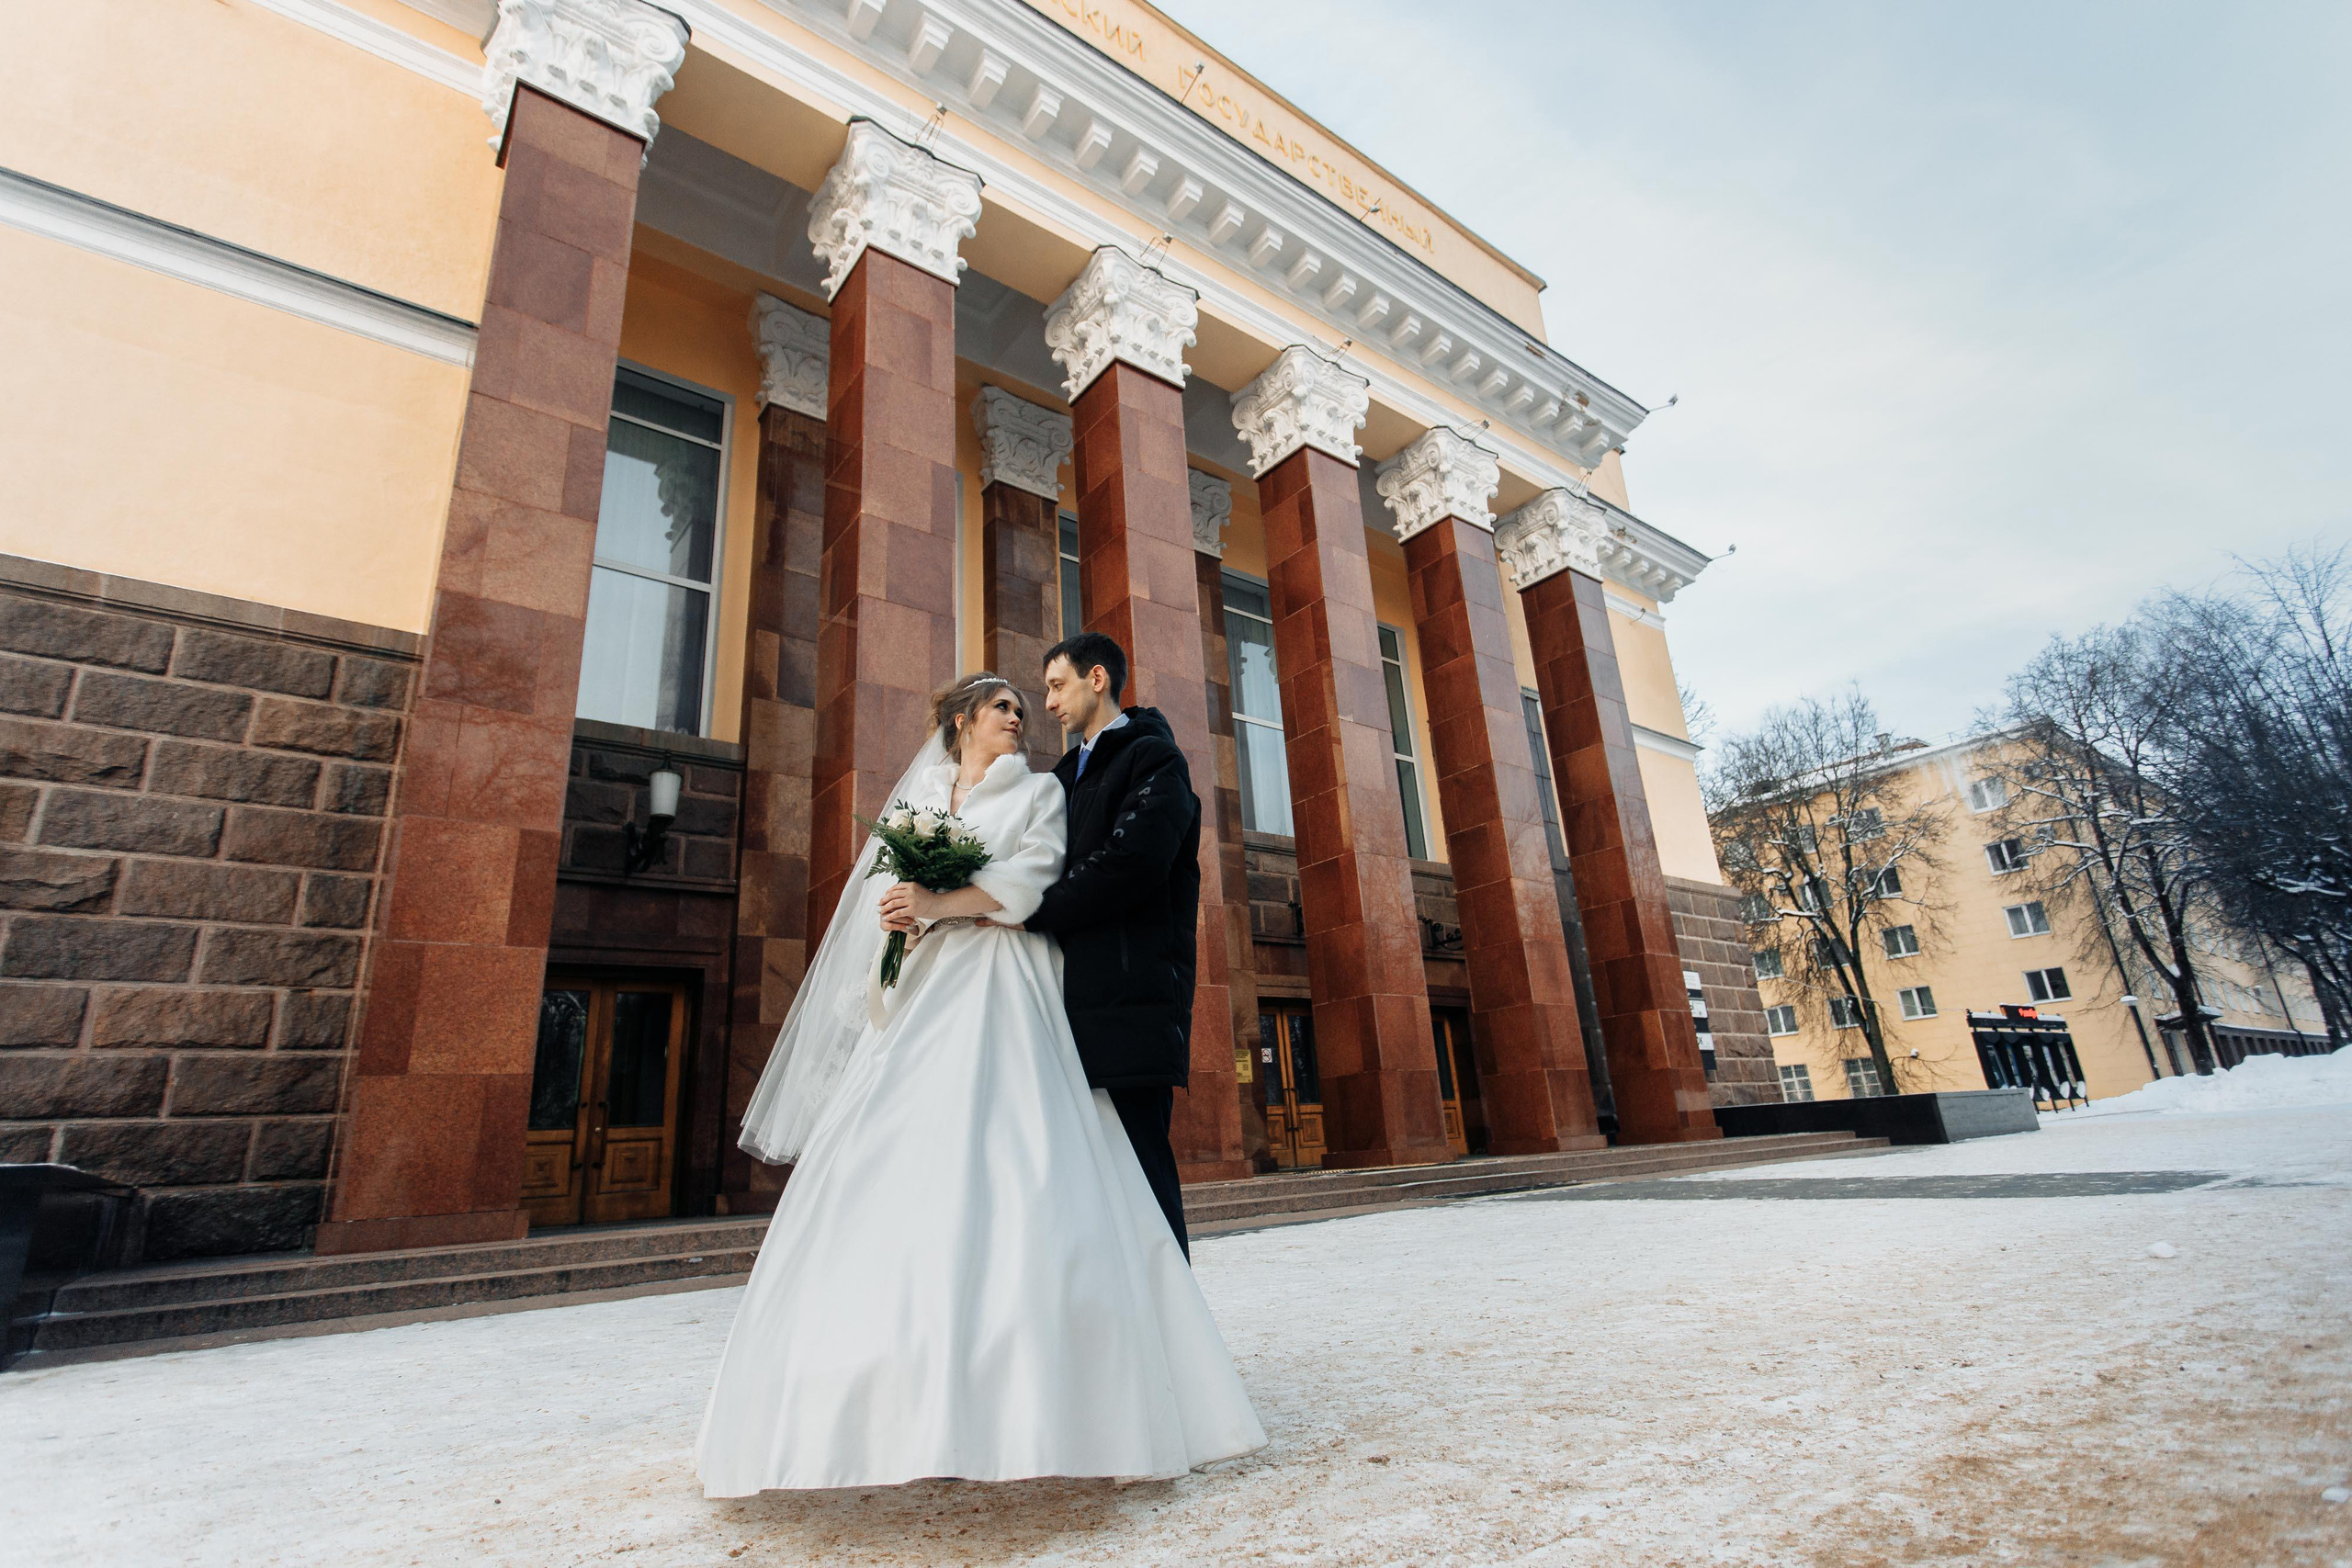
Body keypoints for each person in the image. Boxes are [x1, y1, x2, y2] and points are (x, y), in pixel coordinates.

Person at [697, 672, 1263, 1495]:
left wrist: (938, 900)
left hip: (1006, 979)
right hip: (928, 982)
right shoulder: (920, 798)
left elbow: (1030, 884)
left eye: (1025, 709)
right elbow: (884, 897)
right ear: (962, 718)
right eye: (1003, 706)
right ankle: (884, 1401)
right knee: (891, 1163)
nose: (1018, 717)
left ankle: (1053, 1401)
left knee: (1025, 1155)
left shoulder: (1037, 793)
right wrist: (901, 913)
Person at [1013, 633, 1203, 1258]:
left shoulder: (1155, 760)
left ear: (1098, 678)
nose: (1047, 702)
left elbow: (1133, 863)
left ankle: (1179, 1346)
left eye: (1057, 685)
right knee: (1089, 1191)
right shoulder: (1065, 775)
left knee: (1142, 1179)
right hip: (1068, 1006)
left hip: (1133, 1004)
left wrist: (1032, 911)